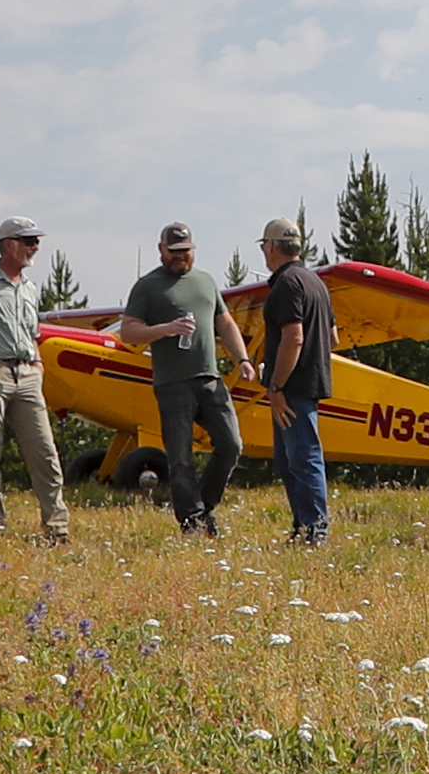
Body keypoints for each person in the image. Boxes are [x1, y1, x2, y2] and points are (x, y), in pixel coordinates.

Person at [114, 220, 240, 537]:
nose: (180, 256)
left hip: (211, 379)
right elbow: (128, 331)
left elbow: (225, 324)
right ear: (162, 250)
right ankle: (192, 521)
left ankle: (205, 506)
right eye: (174, 251)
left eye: (186, 251)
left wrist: (244, 360)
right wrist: (164, 330)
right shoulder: (147, 286)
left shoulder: (206, 282)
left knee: (231, 445)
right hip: (172, 384)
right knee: (180, 458)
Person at [0, 212, 69, 540]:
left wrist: (37, 368)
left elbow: (33, 334)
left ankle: (57, 529)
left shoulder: (31, 289)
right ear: (8, 245)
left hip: (27, 374)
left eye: (36, 241)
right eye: (29, 241)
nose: (35, 247)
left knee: (45, 453)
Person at [256, 216, 336, 543]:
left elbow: (294, 338)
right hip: (309, 383)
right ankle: (303, 527)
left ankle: (315, 532)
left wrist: (276, 386)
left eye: (264, 245)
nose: (264, 250)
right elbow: (333, 339)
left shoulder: (286, 284)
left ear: (272, 246)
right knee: (289, 461)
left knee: (303, 459)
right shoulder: (315, 282)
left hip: (293, 390)